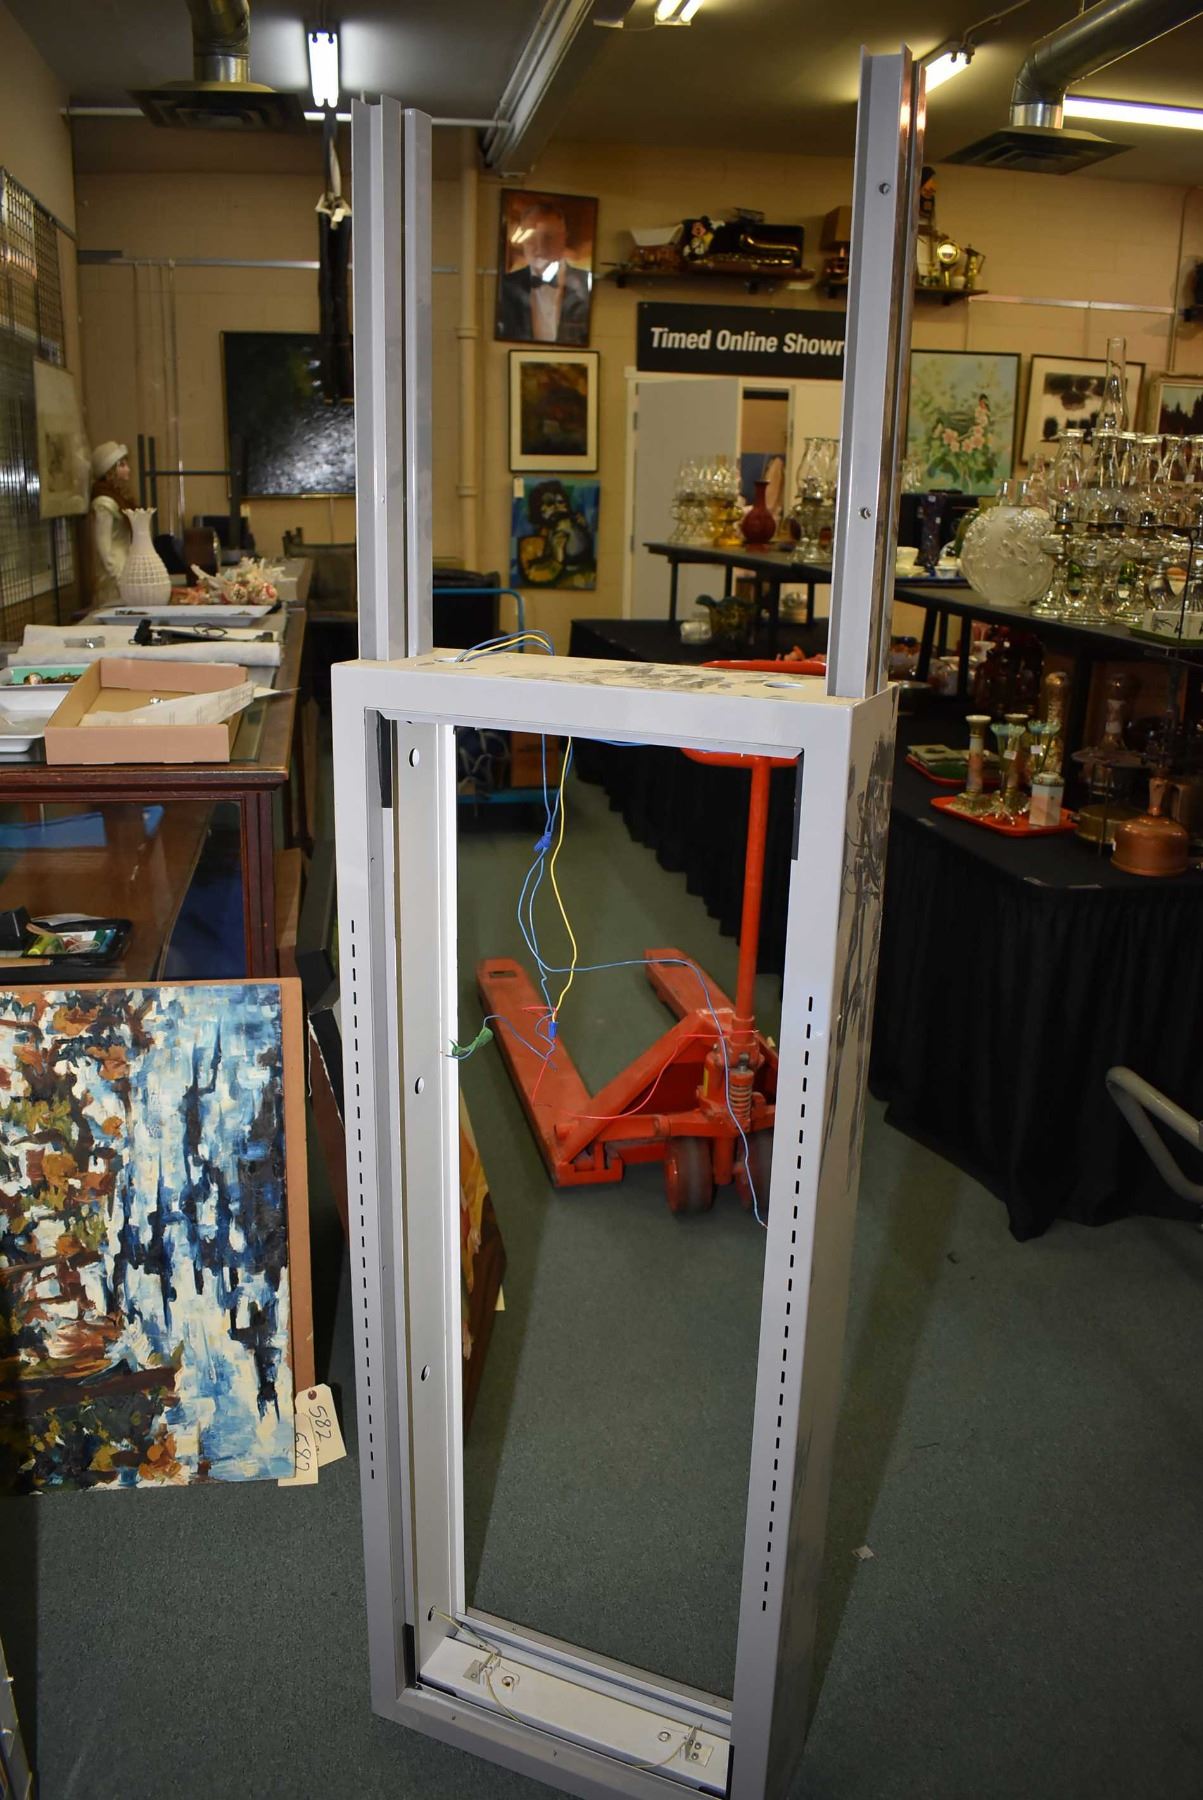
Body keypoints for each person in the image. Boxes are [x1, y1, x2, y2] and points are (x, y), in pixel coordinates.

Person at [497, 200, 591, 345]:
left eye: (549, 237)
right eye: (531, 238)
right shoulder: (506, 285)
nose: (540, 248)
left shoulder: (587, 284)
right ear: (522, 241)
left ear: (564, 237)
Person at [517, 479, 595, 587]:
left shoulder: (577, 525)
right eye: (549, 504)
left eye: (561, 502)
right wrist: (556, 561)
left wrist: (585, 530)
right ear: (540, 510)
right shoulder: (532, 543)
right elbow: (532, 574)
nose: (556, 507)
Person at [90, 441, 134, 602]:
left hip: (125, 566)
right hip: (115, 573)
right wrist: (116, 575)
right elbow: (104, 547)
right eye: (122, 465)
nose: (128, 469)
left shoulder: (118, 498)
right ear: (110, 471)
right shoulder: (104, 503)